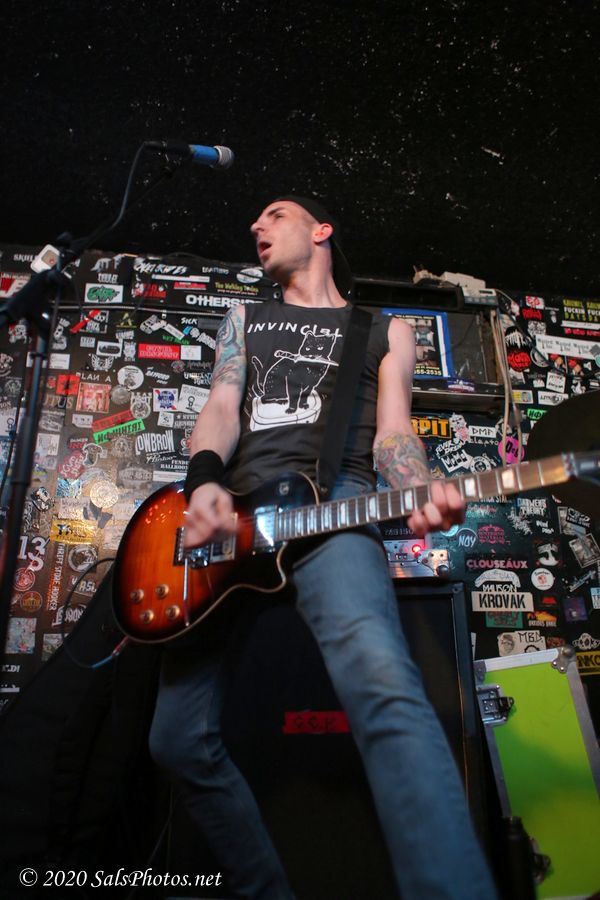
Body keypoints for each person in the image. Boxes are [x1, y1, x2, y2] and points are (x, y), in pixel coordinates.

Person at [149, 196, 498, 900]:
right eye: (256, 220)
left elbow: (393, 431)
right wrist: (205, 483)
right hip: (238, 516)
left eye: (275, 214)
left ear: (322, 230)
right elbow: (222, 406)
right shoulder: (245, 318)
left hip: (336, 504)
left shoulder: (385, 330)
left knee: (383, 687)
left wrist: (417, 486)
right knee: (176, 740)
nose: (256, 226)